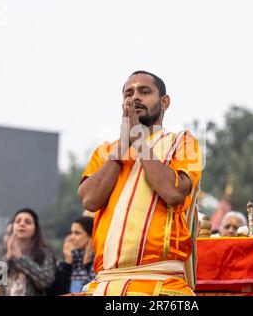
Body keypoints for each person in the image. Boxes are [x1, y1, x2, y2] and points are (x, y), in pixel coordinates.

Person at [78, 71, 202, 296]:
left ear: (164, 102)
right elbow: (90, 200)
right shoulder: (107, 150)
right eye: (129, 93)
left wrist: (140, 142)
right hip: (106, 285)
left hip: (161, 283)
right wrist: (124, 145)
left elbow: (173, 193)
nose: (135, 97)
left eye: (144, 92)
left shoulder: (182, 142)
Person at [0, 208, 56, 296]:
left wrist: (19, 257)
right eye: (18, 221)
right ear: (12, 227)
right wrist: (8, 257)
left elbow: (45, 281)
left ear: (35, 229)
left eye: (28, 222)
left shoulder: (44, 254)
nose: (22, 224)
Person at [48, 216, 95, 295]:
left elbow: (95, 290)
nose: (71, 237)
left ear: (91, 236)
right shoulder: (65, 262)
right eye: (71, 233)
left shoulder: (99, 260)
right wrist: (67, 263)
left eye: (77, 233)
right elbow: (55, 292)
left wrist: (87, 262)